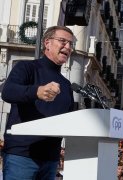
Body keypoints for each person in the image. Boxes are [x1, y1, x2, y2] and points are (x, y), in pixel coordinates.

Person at [1, 25, 75, 179]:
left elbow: (69, 119)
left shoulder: (67, 85)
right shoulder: (27, 68)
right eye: (62, 41)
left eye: (71, 44)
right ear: (47, 43)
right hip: (22, 157)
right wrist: (37, 91)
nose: (67, 47)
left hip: (51, 160)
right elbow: (7, 92)